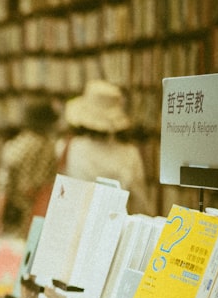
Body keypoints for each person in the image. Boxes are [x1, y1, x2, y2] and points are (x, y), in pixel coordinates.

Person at [61, 79, 151, 215]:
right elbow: (140, 202)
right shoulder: (130, 153)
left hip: (76, 222)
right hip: (114, 226)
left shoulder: (69, 146)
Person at [0, 100, 60, 238]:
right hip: (35, 217)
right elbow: (43, 190)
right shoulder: (47, 147)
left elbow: (2, 189)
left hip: (11, 217)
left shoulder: (13, 145)